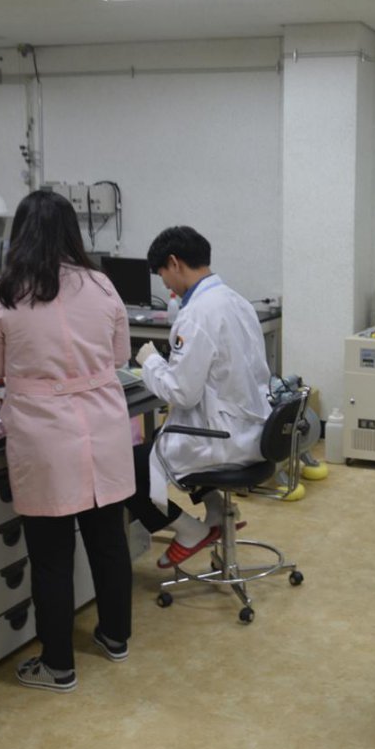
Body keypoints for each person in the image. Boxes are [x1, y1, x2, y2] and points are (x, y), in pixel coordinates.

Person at [0, 190, 134, 693]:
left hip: (43, 434)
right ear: (72, 232)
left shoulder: (1, 293)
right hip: (102, 426)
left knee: (50, 553)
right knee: (109, 541)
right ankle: (115, 636)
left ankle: (58, 664)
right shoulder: (102, 285)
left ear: (19, 233)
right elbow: (121, 354)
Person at [129, 225, 271, 568]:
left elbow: (182, 393)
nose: (164, 284)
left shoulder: (196, 314)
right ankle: (219, 510)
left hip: (223, 439)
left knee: (128, 468)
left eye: (162, 273)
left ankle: (189, 530)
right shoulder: (237, 301)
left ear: (174, 263)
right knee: (166, 441)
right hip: (255, 431)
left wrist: (150, 363)